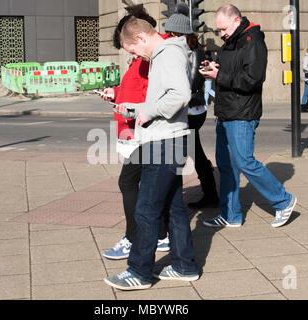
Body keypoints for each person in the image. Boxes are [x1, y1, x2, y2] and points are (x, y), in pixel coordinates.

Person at [104, 16, 199, 290]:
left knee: (146, 209)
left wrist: (148, 111)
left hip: (163, 143)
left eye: (133, 50)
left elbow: (180, 94)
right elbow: (164, 96)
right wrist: (135, 109)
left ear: (141, 38)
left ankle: (139, 272)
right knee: (174, 208)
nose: (136, 55)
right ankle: (185, 266)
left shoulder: (166, 54)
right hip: (169, 140)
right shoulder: (167, 53)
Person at [199, 4, 297, 228]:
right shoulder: (230, 42)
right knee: (226, 164)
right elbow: (230, 71)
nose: (221, 33)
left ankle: (283, 201)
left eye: (223, 29)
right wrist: (213, 67)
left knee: (244, 161)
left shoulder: (253, 41)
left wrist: (219, 74)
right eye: (219, 30)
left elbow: (252, 79)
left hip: (242, 113)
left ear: (236, 21)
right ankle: (231, 215)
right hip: (226, 111)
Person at [97, 5, 170, 260]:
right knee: (151, 186)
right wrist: (115, 93)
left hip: (142, 130)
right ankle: (159, 235)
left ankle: (134, 237)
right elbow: (132, 90)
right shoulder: (141, 59)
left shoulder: (152, 59)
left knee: (129, 182)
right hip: (134, 128)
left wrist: (136, 112)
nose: (131, 52)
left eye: (130, 47)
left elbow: (159, 96)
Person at [164, 2, 219, 209]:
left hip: (189, 109)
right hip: (193, 109)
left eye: (170, 33)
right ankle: (210, 195)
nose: (167, 37)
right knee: (195, 152)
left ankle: (176, 200)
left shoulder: (189, 50)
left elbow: (193, 81)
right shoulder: (190, 48)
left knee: (182, 154)